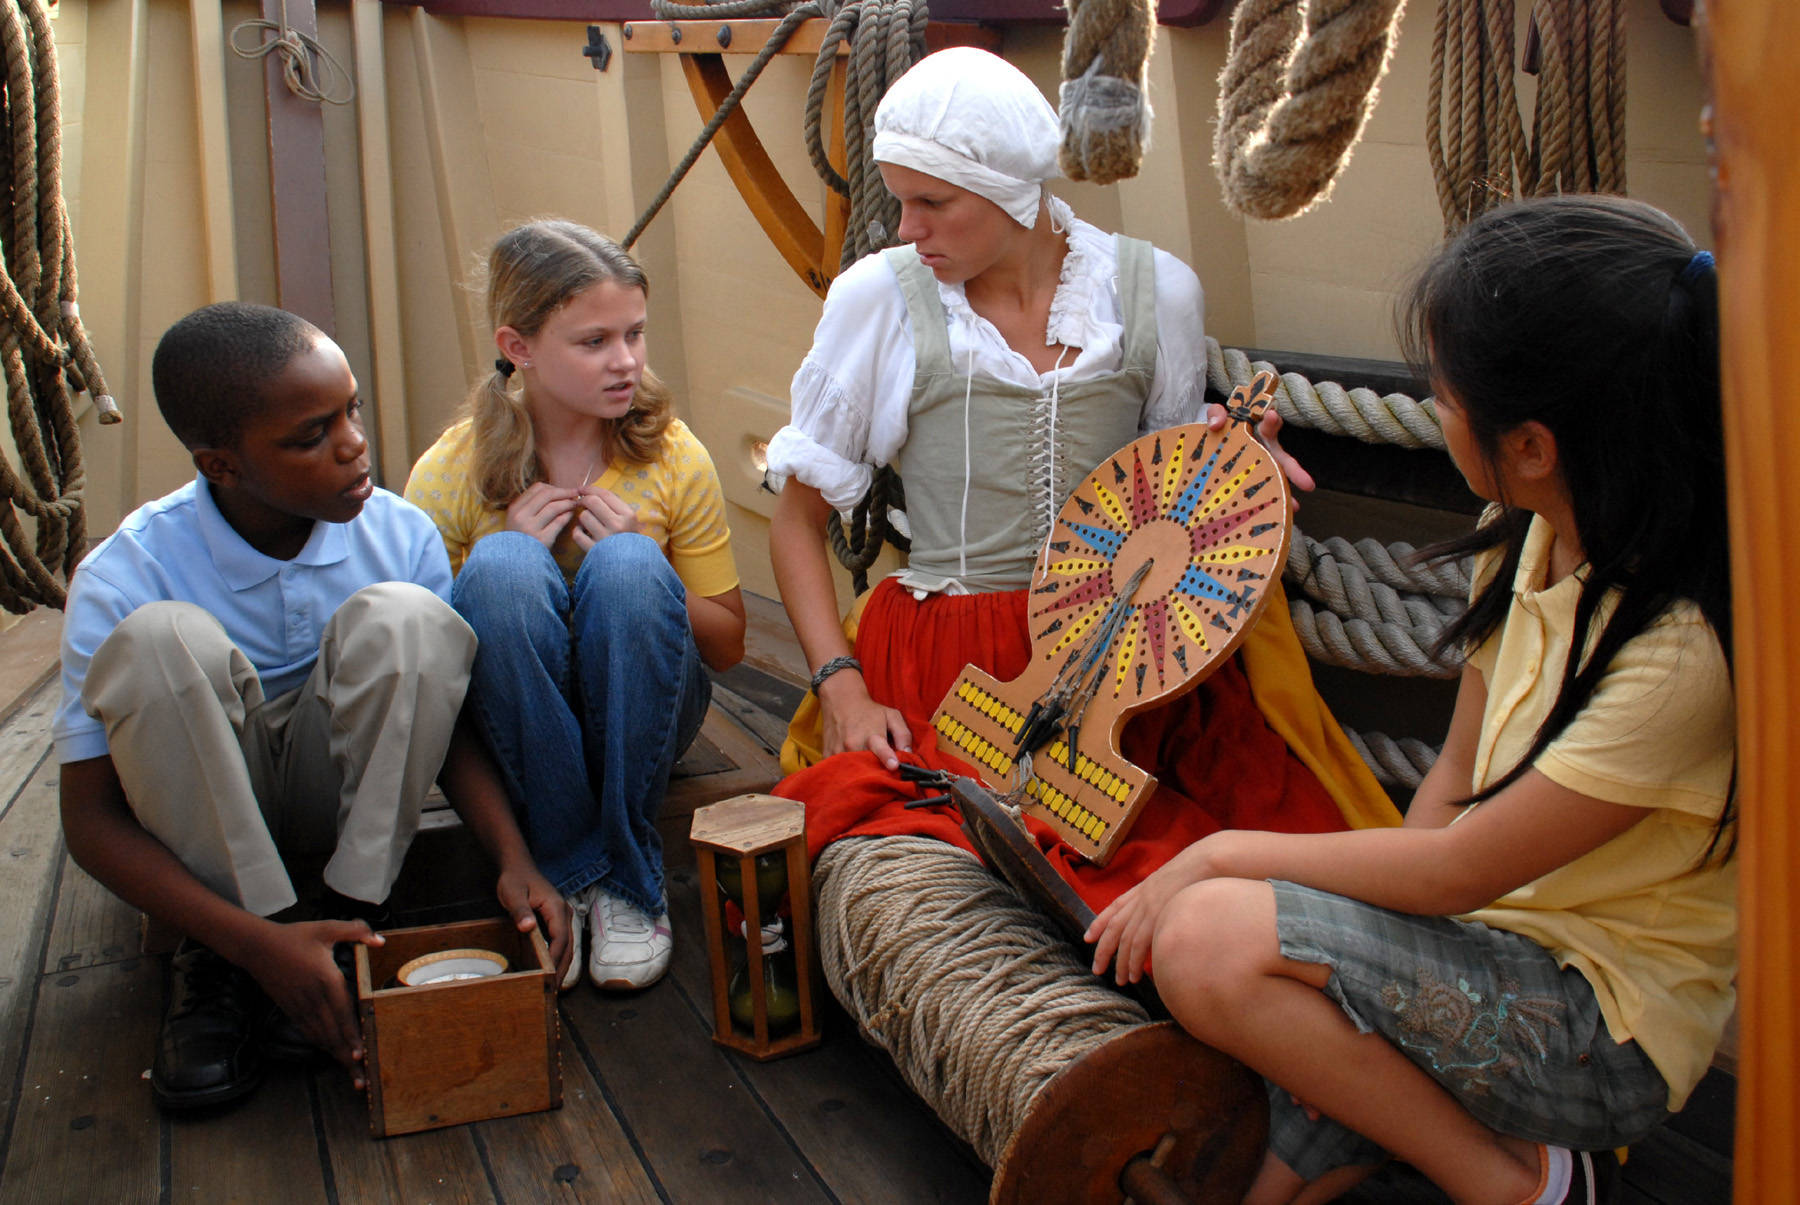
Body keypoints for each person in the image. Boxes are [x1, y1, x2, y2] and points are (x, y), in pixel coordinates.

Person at [1088, 196, 1735, 1205]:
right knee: (1272, 1156)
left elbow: (1456, 867)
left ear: (1531, 444)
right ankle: (1394, 1142)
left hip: (1596, 1037)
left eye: (1441, 393)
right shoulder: (1521, 535)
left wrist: (1215, 858)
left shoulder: (1679, 655)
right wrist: (1345, 932)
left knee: (1209, 937)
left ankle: (1516, 1183)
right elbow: (1455, 777)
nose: (1436, 410)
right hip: (1489, 949)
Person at [767, 47, 1396, 906]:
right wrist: (840, 689)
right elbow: (796, 520)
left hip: (1131, 669)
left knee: (1258, 872)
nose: (906, 229)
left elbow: (1172, 505)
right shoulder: (879, 299)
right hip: (948, 662)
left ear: (1009, 190)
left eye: (932, 202)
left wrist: (1237, 474)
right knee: (985, 872)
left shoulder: (1154, 292)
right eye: (900, 198)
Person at [55, 302, 570, 1112]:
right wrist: (256, 941)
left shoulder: (398, 534)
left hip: (339, 808)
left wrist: (513, 856)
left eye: (352, 409)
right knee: (158, 642)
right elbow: (88, 819)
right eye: (309, 436)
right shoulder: (125, 573)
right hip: (208, 835)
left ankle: (351, 922)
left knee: (410, 618)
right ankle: (228, 958)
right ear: (220, 465)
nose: (353, 444)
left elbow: (446, 719)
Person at [405, 220, 745, 993]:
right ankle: (580, 867)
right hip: (514, 730)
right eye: (594, 342)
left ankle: (623, 881)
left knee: (627, 564)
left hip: (647, 714)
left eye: (635, 333)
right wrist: (493, 573)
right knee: (498, 568)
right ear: (518, 346)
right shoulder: (452, 469)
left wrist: (652, 566)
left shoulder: (671, 454)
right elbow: (425, 672)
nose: (625, 361)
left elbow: (725, 645)